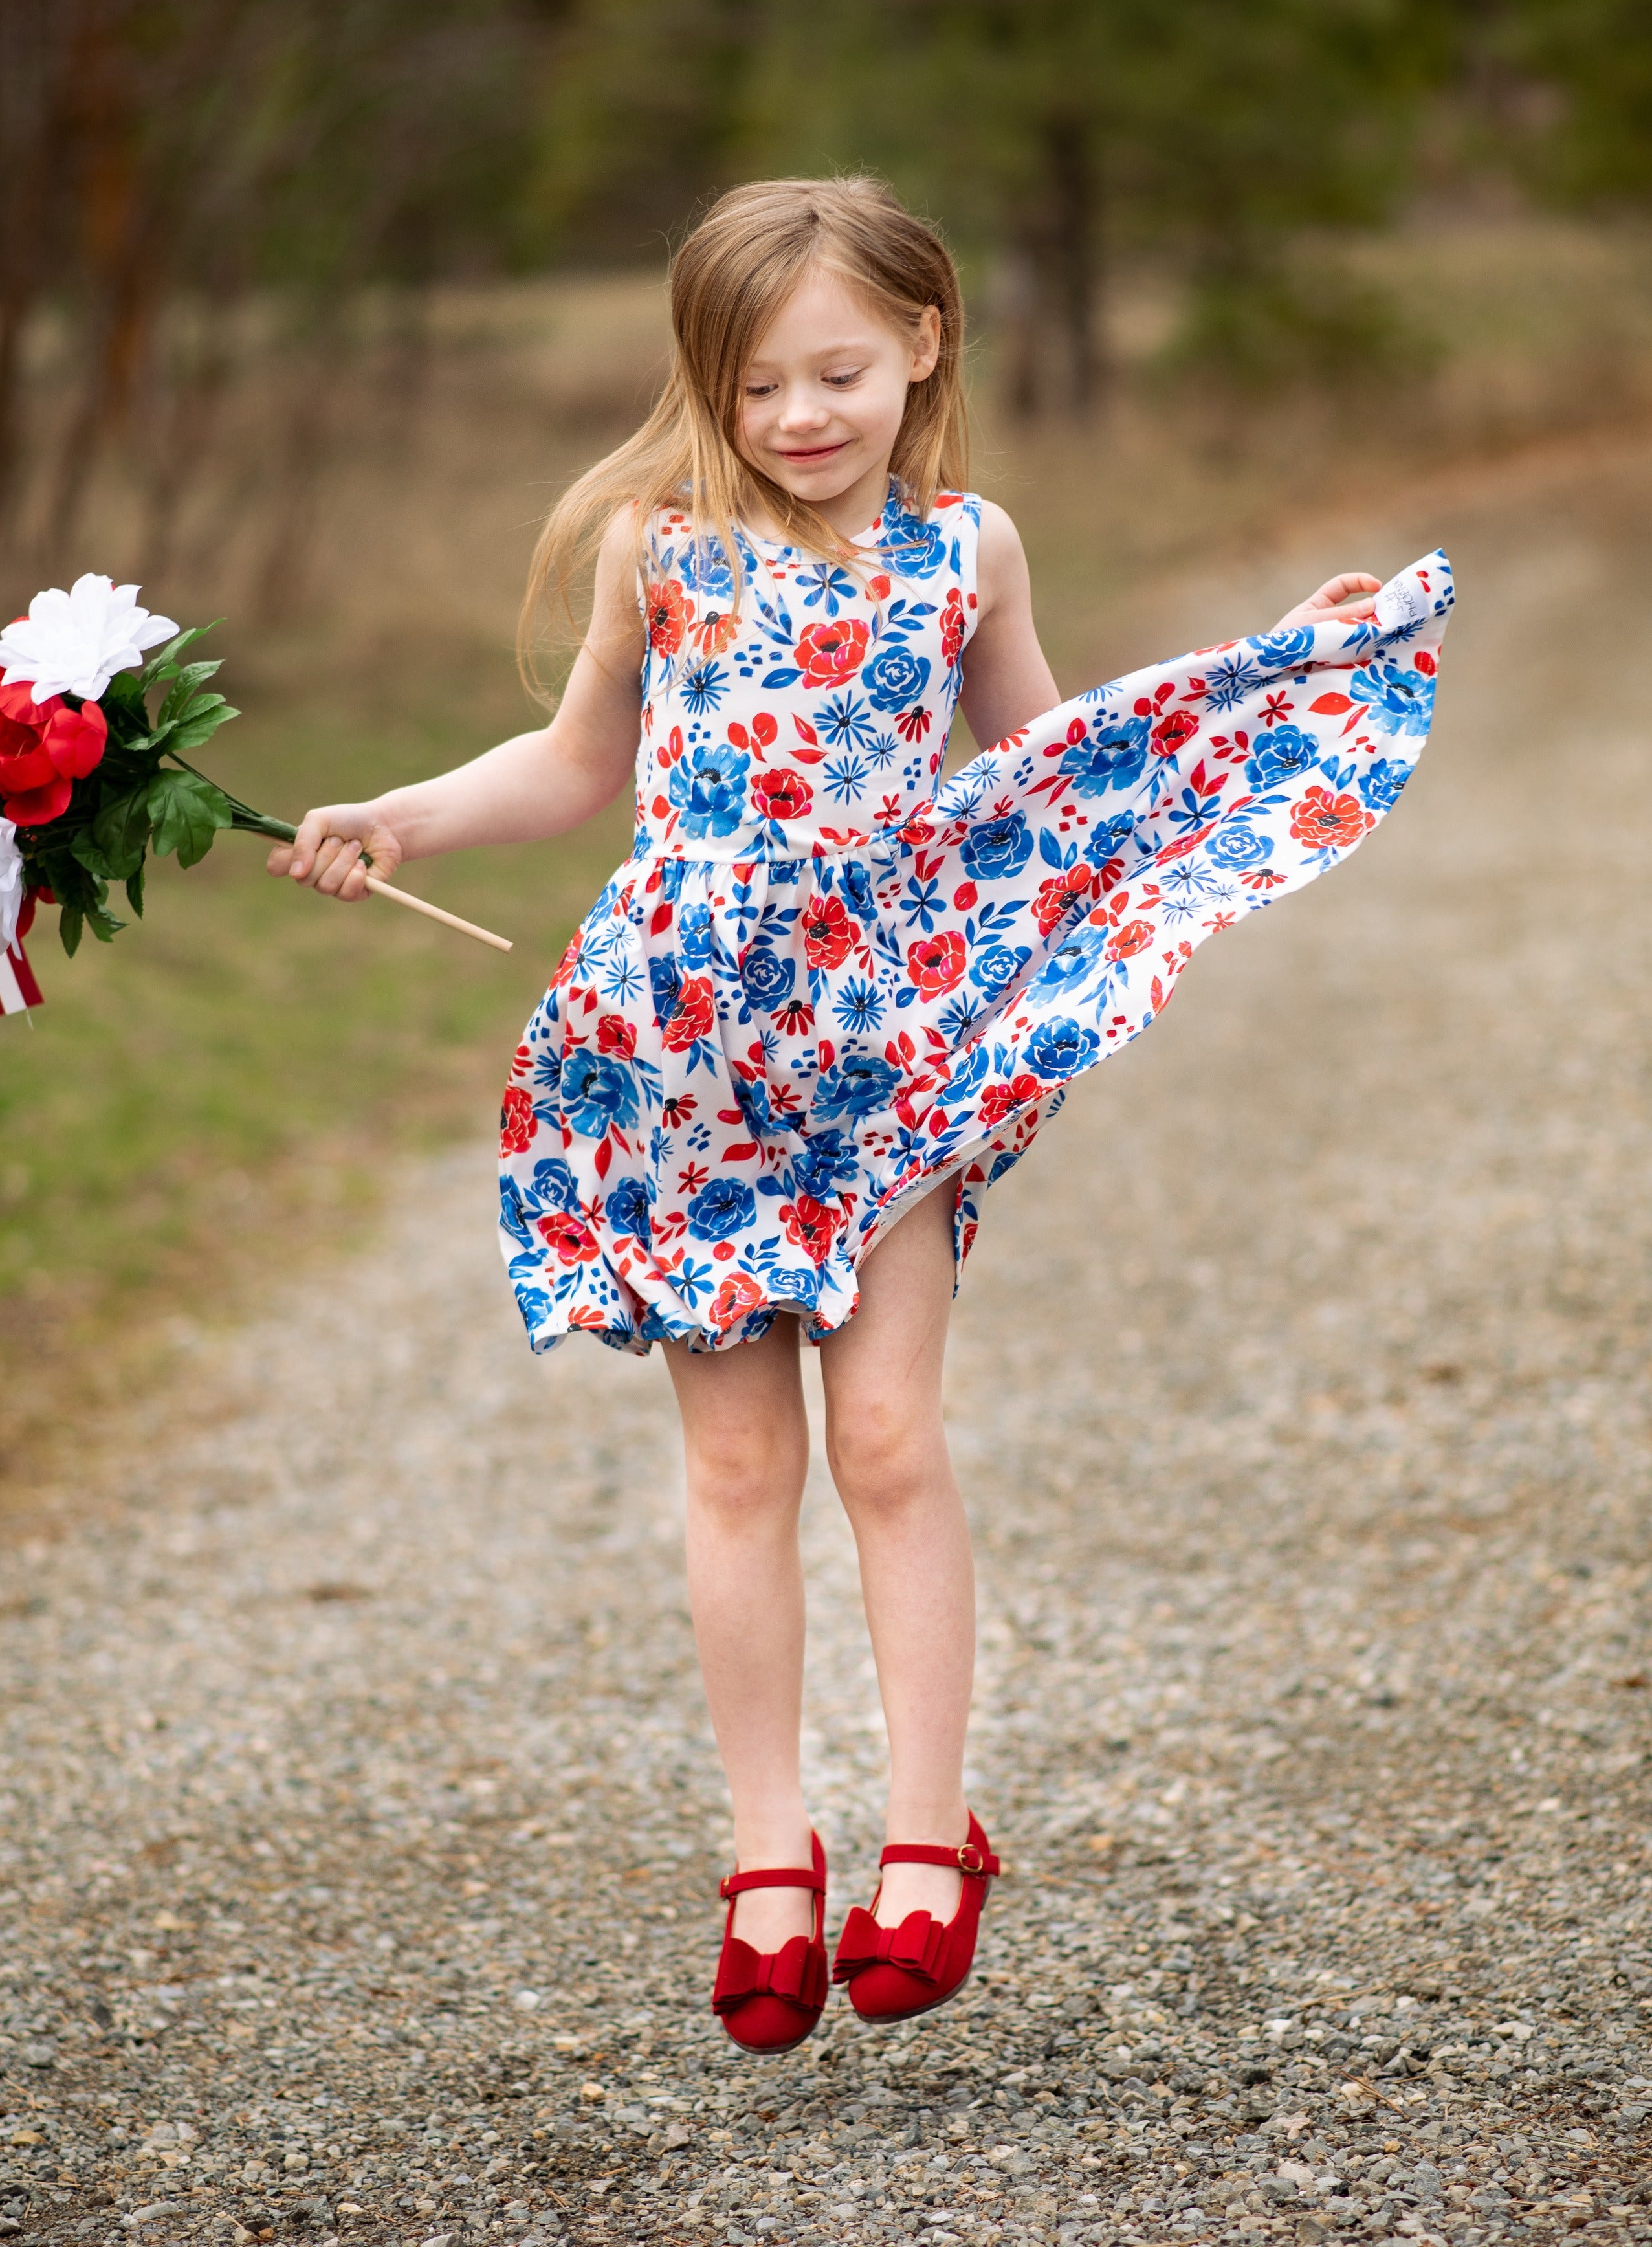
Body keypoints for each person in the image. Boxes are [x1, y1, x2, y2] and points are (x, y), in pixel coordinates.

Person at [270, 175, 1451, 2054]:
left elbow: (1057, 769)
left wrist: (1267, 666)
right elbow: (579, 762)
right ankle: (768, 1853)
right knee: (740, 1470)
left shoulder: (966, 554)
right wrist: (395, 814)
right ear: (708, 392)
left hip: (883, 1054)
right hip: (677, 1059)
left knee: (887, 1440)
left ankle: (926, 1837)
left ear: (921, 345)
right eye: (756, 388)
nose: (800, 417)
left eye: (836, 373)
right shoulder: (658, 552)